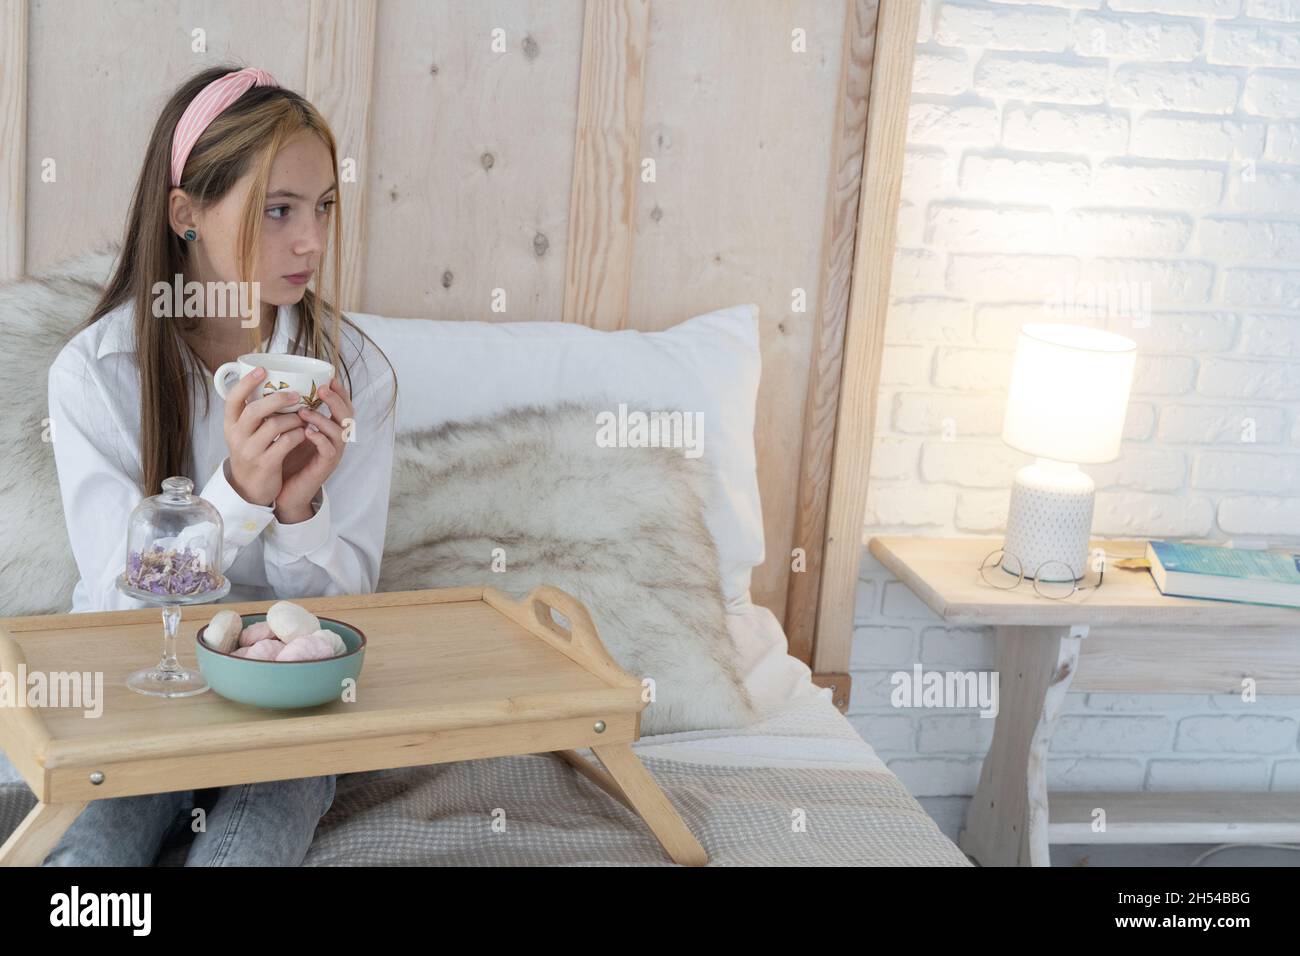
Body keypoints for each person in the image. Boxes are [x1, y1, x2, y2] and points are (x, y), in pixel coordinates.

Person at [37, 64, 399, 866]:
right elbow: (113, 609)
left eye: (323, 208)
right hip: (140, 687)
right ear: (186, 214)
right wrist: (235, 496)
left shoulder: (356, 375)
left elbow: (340, 627)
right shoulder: (97, 374)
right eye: (277, 211)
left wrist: (302, 512)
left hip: (286, 710)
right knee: (91, 861)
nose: (310, 241)